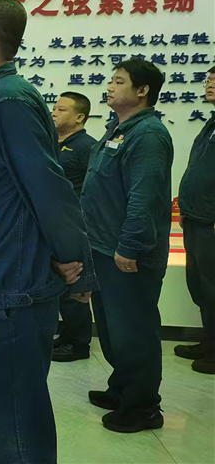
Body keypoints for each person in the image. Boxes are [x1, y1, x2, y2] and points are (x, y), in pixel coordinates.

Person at [0, 0, 95, 464]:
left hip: (8, 287)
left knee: (11, 420)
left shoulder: (8, 99)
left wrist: (76, 262)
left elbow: (48, 187)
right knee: (1, 414)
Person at [81, 58, 173, 433]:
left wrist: (130, 245)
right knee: (113, 329)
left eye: (119, 81)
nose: (110, 86)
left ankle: (143, 407)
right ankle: (121, 389)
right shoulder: (117, 129)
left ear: (142, 91)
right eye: (111, 80)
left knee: (134, 331)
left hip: (127, 253)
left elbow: (144, 197)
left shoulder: (148, 134)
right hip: (103, 247)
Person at [51, 92, 98, 363]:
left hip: (76, 227)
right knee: (59, 284)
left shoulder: (87, 147)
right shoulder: (51, 143)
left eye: (62, 109)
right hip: (54, 225)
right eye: (55, 108)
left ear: (80, 117)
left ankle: (79, 343)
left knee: (75, 285)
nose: (54, 113)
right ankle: (67, 335)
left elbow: (94, 190)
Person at [174, 65, 215, 375]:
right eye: (209, 79)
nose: (210, 84)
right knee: (200, 286)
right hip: (197, 218)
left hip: (210, 221)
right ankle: (209, 341)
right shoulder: (211, 122)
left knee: (213, 286)